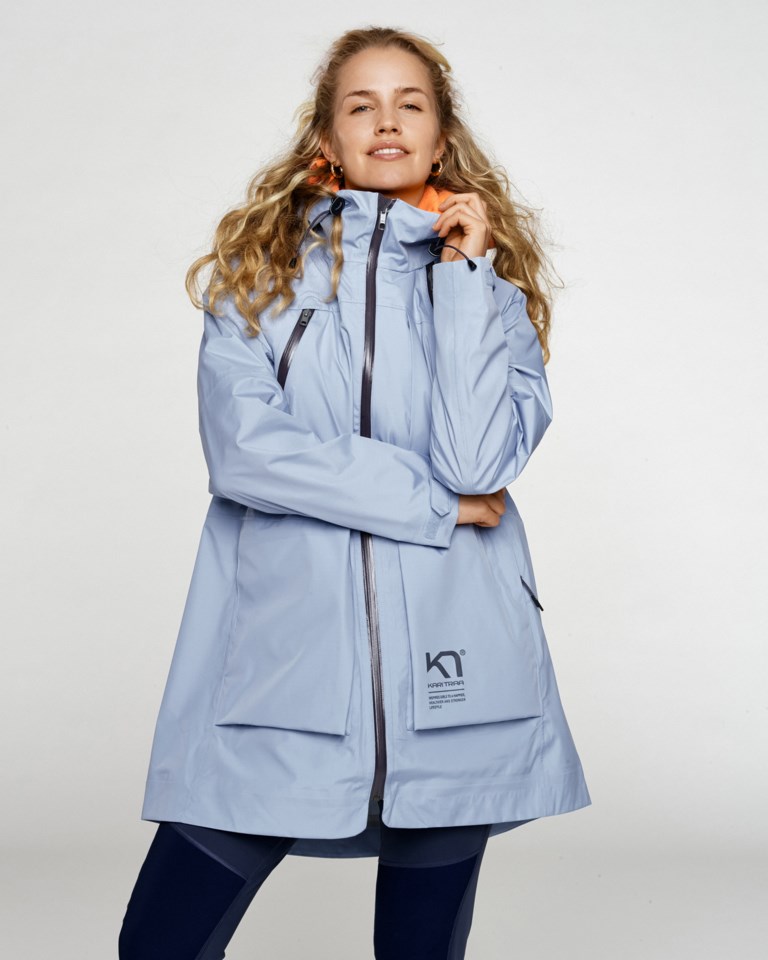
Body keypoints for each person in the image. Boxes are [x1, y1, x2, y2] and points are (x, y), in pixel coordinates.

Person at [119, 24, 592, 960]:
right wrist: (433, 507)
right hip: (281, 674)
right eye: (361, 104)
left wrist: (463, 281)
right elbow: (247, 454)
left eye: (410, 104)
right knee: (159, 945)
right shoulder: (256, 282)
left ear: (441, 137)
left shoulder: (492, 300)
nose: (387, 121)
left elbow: (477, 465)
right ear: (326, 137)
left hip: (457, 680)